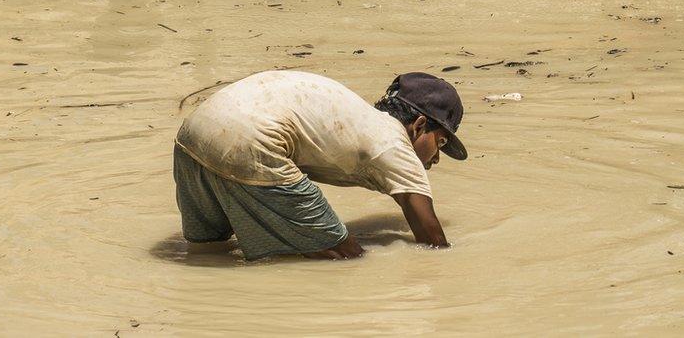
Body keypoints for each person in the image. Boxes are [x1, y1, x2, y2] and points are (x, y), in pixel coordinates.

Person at [173, 70, 468, 261]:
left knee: (209, 250)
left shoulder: (359, 116)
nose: (436, 158)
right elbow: (433, 243)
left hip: (192, 134)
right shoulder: (394, 142)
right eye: (440, 143)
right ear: (418, 126)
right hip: (253, 139)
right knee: (344, 254)